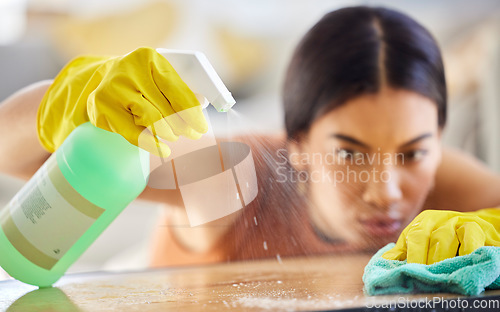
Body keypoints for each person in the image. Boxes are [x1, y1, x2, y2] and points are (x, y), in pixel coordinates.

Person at [1, 6, 500, 268]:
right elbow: (14, 156)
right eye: (349, 153)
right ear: (298, 144)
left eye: (414, 152)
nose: (388, 190)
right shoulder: (232, 177)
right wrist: (66, 101)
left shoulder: (439, 184)